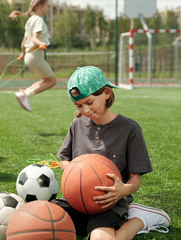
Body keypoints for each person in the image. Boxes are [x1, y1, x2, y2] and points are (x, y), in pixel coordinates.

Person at [51, 66, 171, 239]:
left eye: (89, 102)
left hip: (109, 202)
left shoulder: (130, 129)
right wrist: (73, 170)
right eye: (79, 105)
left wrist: (123, 190)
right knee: (41, 222)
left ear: (106, 93)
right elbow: (63, 159)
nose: (85, 110)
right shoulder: (77, 124)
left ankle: (140, 220)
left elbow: (135, 180)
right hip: (76, 199)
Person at [9, 0, 56, 112]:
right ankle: (25, 94)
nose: (48, 9)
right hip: (35, 56)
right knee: (52, 81)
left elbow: (23, 43)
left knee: (46, 79)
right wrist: (41, 44)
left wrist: (23, 54)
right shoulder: (39, 20)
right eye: (47, 6)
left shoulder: (30, 20)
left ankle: (24, 94)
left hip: (29, 56)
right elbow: (35, 39)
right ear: (40, 6)